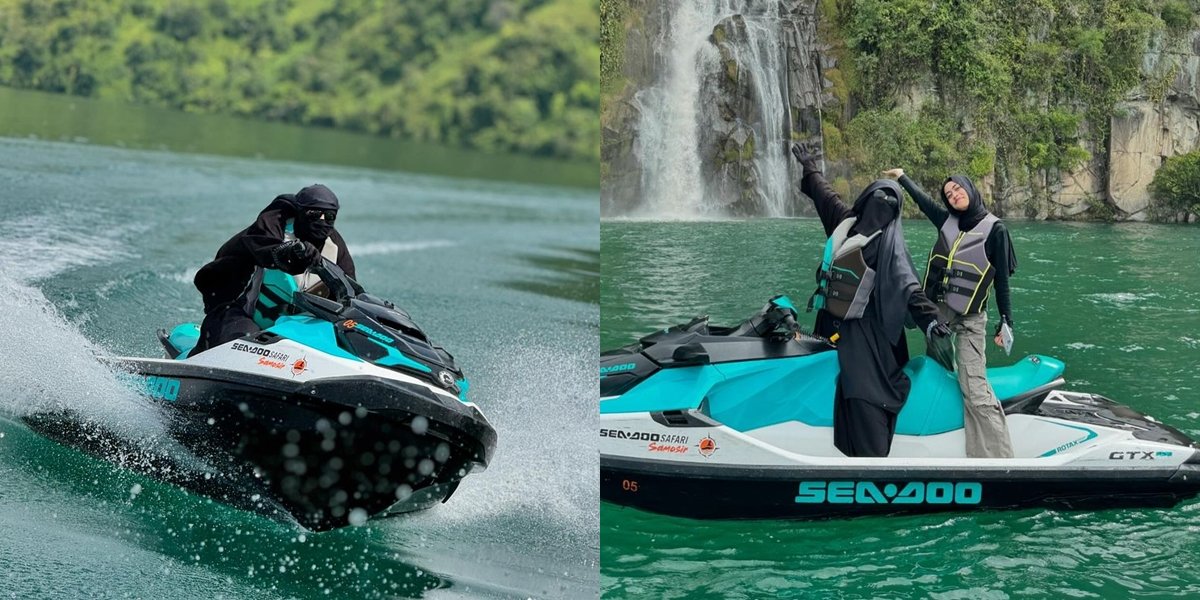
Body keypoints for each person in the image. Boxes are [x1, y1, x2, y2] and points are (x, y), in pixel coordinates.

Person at [791, 144, 949, 458]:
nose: (884, 204)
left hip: (866, 331)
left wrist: (932, 319)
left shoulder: (891, 248)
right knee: (801, 354)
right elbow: (824, 194)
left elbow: (910, 290)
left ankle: (870, 458)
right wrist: (810, 167)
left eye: (891, 202)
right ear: (866, 199)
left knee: (865, 389)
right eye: (879, 197)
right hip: (830, 323)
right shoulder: (844, 222)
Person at [883, 167, 1018, 459]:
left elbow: (1002, 282)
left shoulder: (995, 230)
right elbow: (922, 200)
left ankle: (999, 458)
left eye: (957, 189)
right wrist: (903, 177)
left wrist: (1005, 321)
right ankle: (943, 433)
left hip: (970, 319)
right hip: (938, 316)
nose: (954, 195)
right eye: (948, 194)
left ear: (969, 189)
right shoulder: (947, 220)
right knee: (937, 373)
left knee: (975, 386)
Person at [189, 184, 356, 356]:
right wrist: (291, 252)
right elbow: (265, 250)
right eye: (314, 214)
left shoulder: (335, 247)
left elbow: (350, 292)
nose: (322, 220)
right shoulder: (272, 228)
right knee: (241, 346)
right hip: (243, 315)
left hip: (293, 329)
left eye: (329, 216)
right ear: (299, 212)